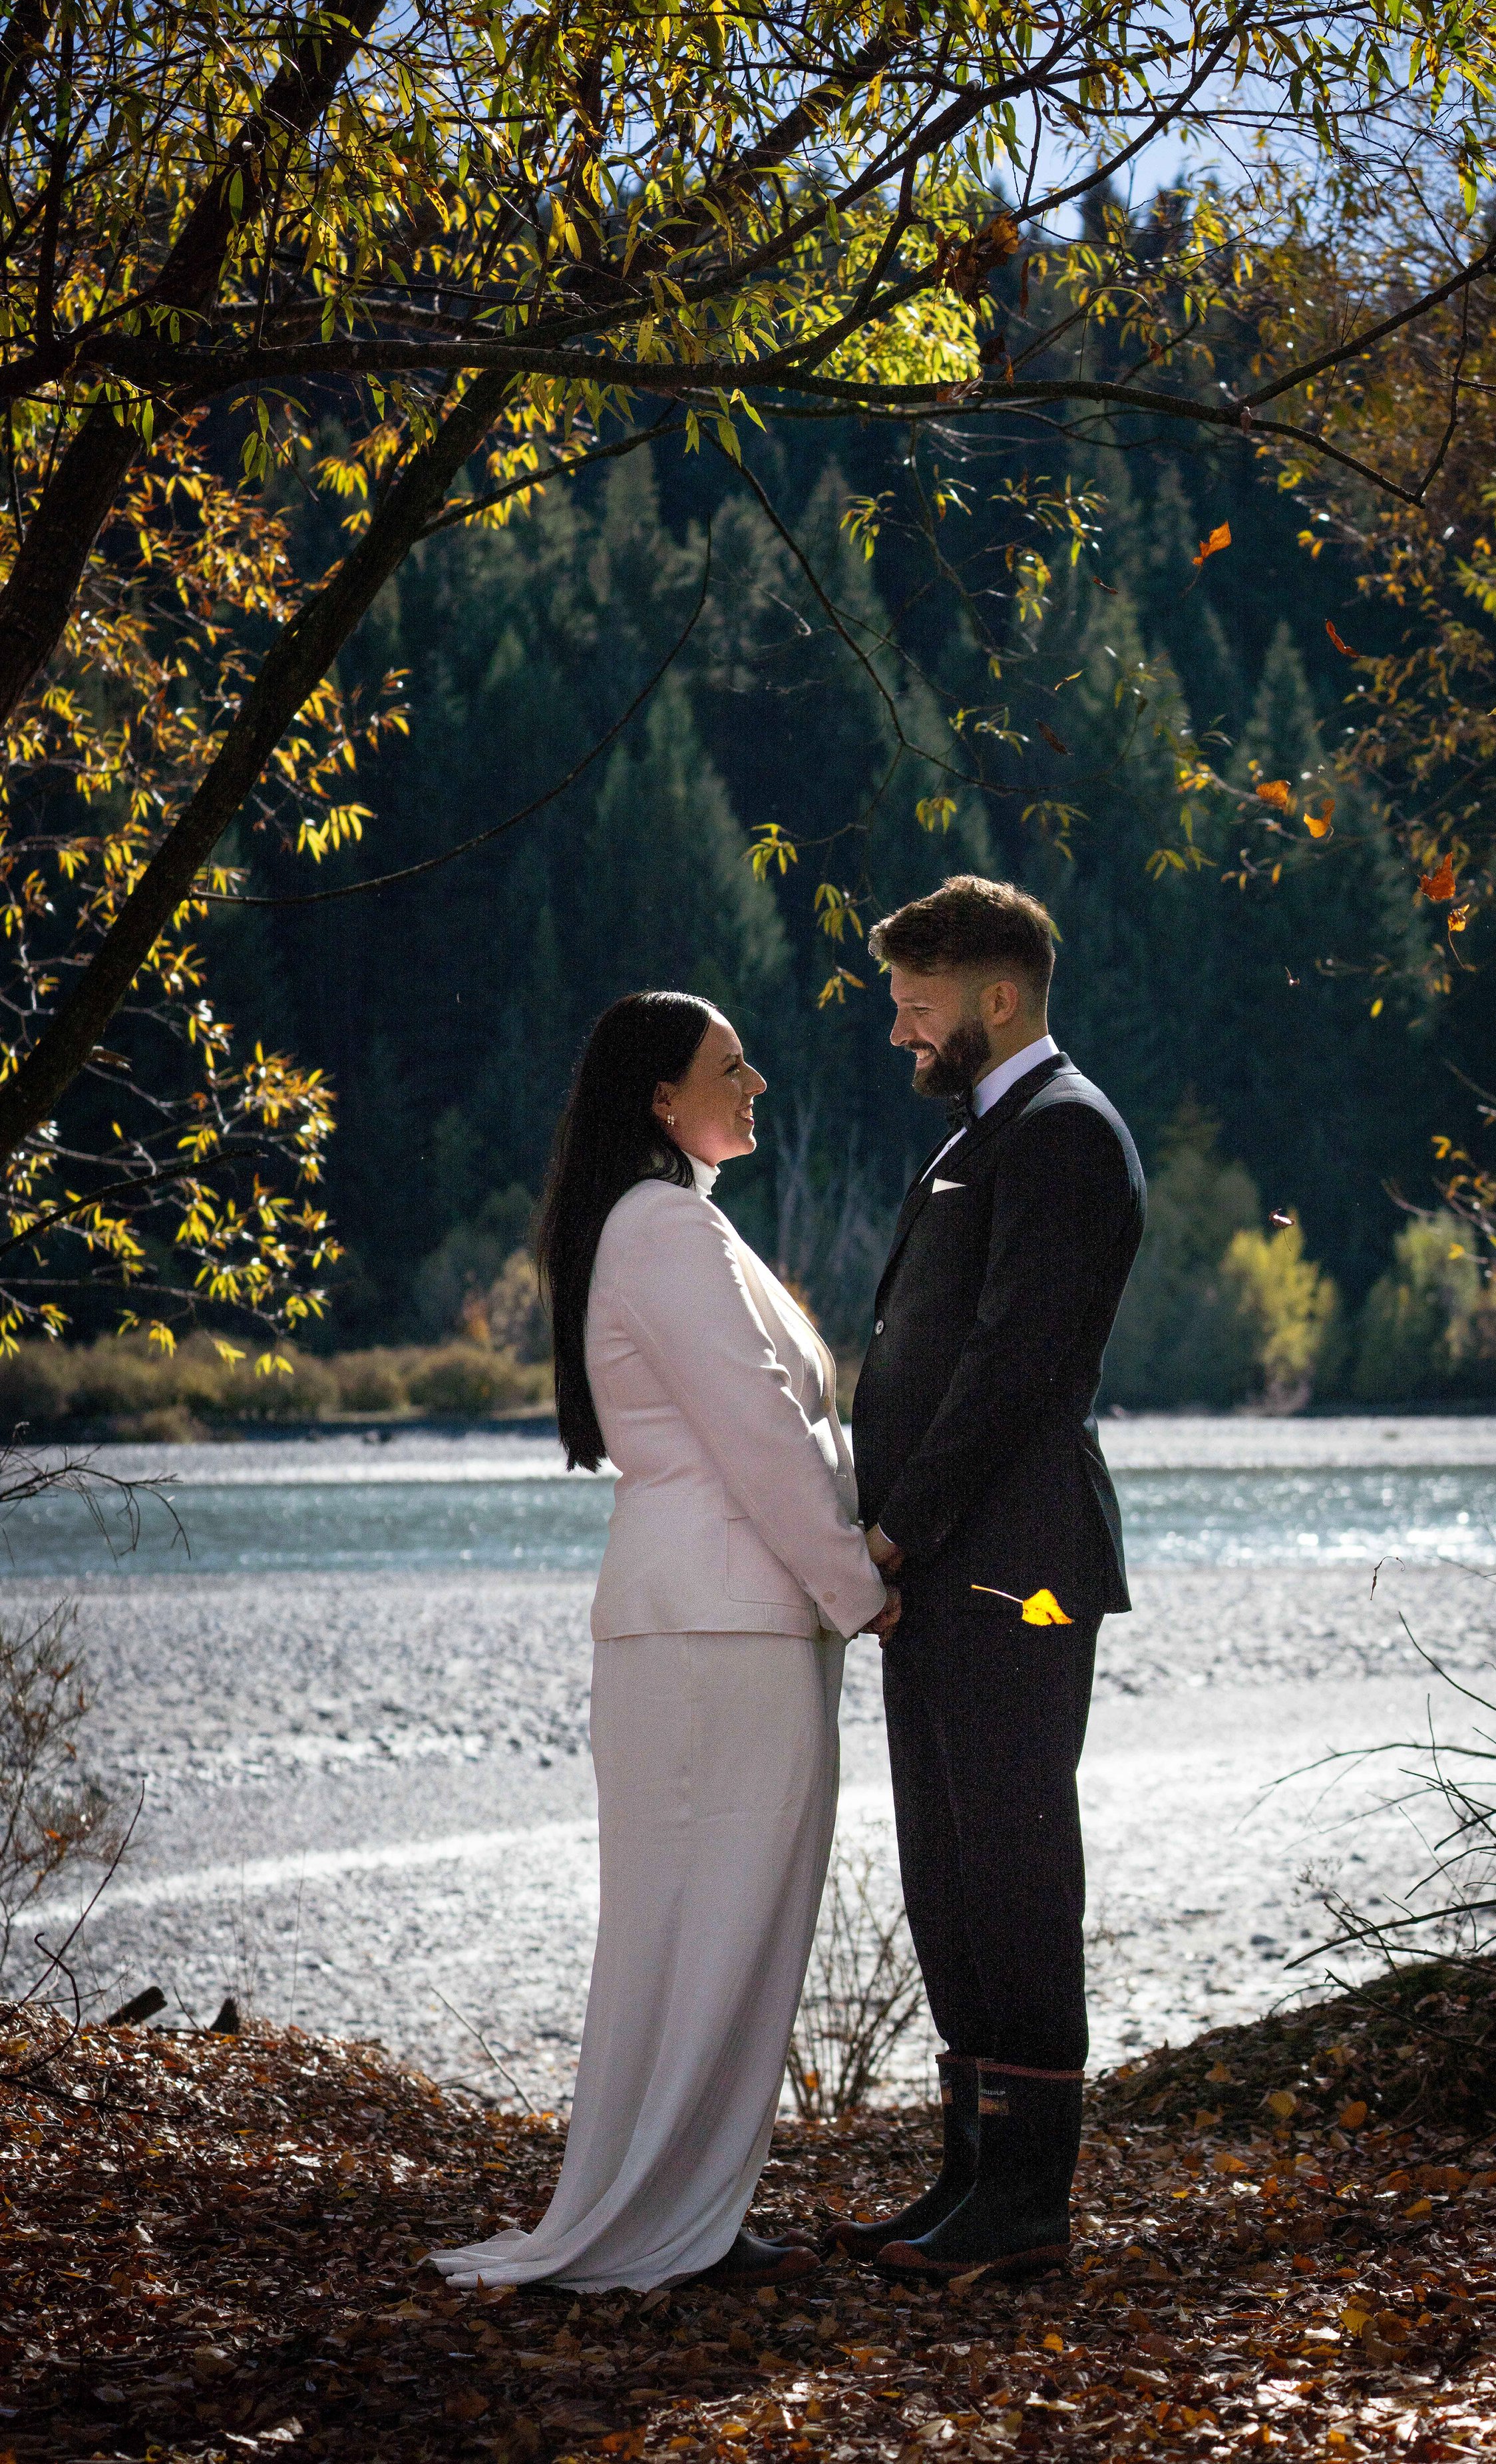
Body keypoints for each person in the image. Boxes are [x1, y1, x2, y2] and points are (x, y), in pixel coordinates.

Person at [433, 990, 896, 2296]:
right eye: (728, 1065)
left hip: (706, 1618)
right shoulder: (664, 1227)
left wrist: (858, 1543)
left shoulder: (657, 1226)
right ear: (657, 1095)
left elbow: (768, 1433)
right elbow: (756, 1430)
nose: (754, 1083)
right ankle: (668, 2224)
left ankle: (680, 2210)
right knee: (716, 1926)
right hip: (718, 1624)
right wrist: (859, 1584)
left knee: (700, 1925)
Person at [836, 877, 1145, 2282]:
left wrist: (890, 1539)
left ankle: (1023, 2208)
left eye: (916, 995)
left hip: (1008, 1571)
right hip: (948, 1573)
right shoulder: (988, 1130)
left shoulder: (1063, 1132)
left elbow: (1011, 1371)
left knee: (1013, 1868)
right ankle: (968, 2177)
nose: (897, 1020)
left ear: (996, 994)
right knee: (947, 1871)